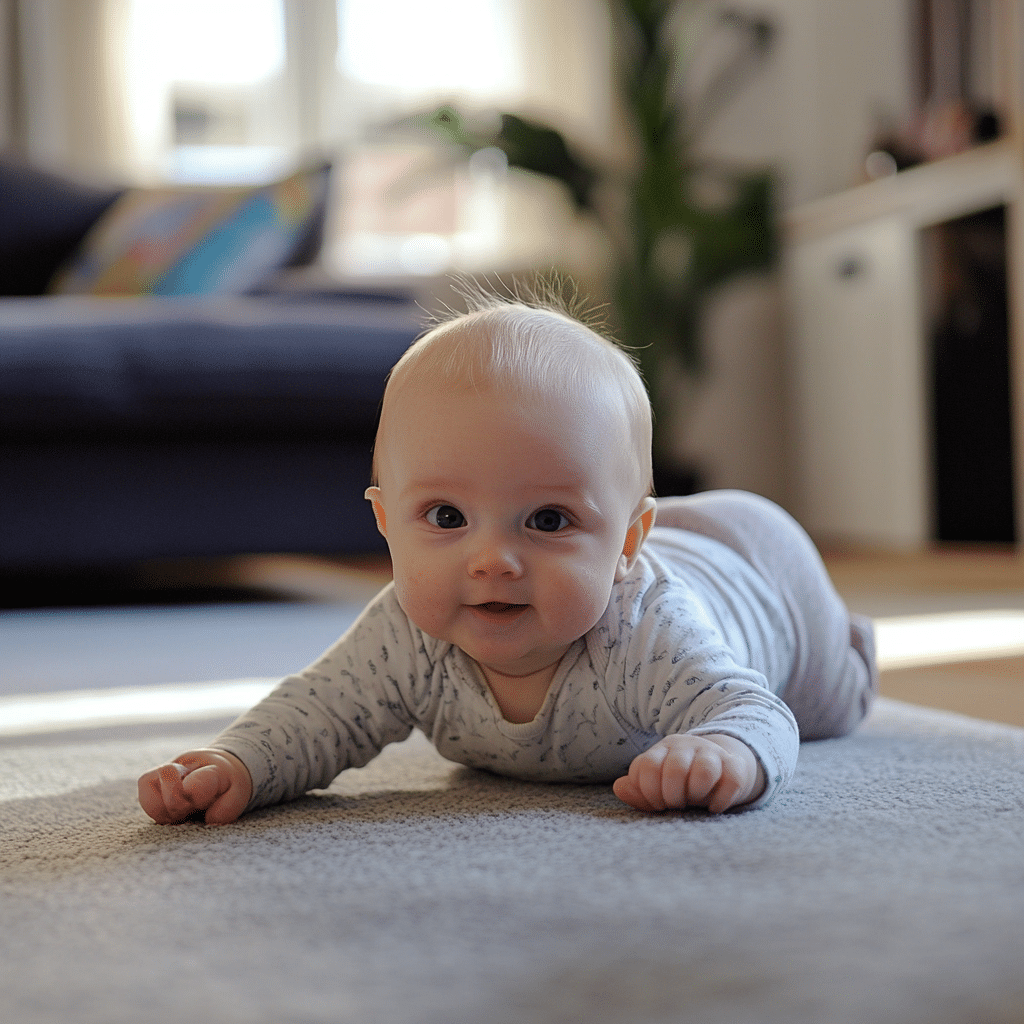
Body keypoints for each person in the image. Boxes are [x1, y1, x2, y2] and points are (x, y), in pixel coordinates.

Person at [138, 291, 877, 825]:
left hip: (759, 566)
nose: (494, 560)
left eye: (547, 520)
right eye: (448, 517)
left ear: (625, 544)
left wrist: (727, 752)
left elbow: (753, 709)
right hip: (664, 540)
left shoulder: (647, 633)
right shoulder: (406, 633)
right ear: (388, 524)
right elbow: (320, 711)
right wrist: (238, 763)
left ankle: (852, 643)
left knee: (828, 706)